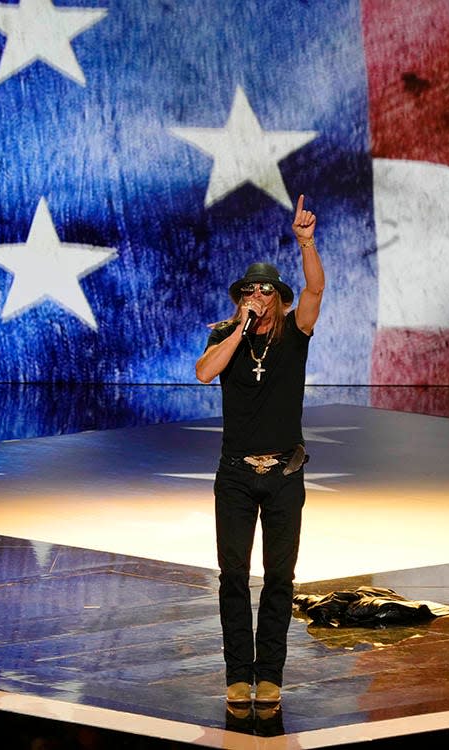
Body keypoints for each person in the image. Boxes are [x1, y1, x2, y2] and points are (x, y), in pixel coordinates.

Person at [195, 194, 324, 708]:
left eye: (266, 291)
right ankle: (237, 675)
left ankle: (269, 673)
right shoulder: (229, 334)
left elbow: (315, 289)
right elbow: (205, 372)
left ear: (279, 298)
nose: (258, 297)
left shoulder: (295, 333)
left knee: (278, 579)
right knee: (232, 579)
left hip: (284, 474)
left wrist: (306, 241)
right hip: (234, 476)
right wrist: (237, 328)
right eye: (250, 291)